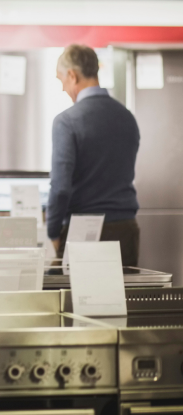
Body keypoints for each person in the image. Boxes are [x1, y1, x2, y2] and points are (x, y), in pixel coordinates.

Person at [48, 44, 140, 266]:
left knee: (78, 300)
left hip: (84, 231)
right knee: (122, 298)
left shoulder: (67, 121)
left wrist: (52, 232)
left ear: (72, 75)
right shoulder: (127, 117)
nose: (63, 89)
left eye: (61, 80)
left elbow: (60, 188)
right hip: (126, 228)